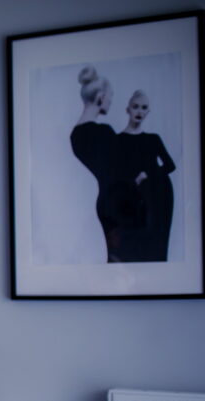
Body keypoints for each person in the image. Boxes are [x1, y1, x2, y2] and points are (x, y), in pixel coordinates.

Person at [70, 65, 127, 262]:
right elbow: (120, 172)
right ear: (101, 97)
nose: (111, 101)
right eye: (110, 96)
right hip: (114, 208)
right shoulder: (104, 132)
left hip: (97, 207)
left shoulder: (75, 135)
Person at [113, 90, 177, 261]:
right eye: (135, 107)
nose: (139, 111)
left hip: (159, 194)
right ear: (128, 109)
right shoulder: (118, 140)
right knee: (133, 243)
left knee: (157, 242)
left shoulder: (153, 139)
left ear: (148, 111)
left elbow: (170, 165)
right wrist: (135, 180)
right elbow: (115, 173)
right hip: (131, 195)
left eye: (144, 108)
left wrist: (146, 174)